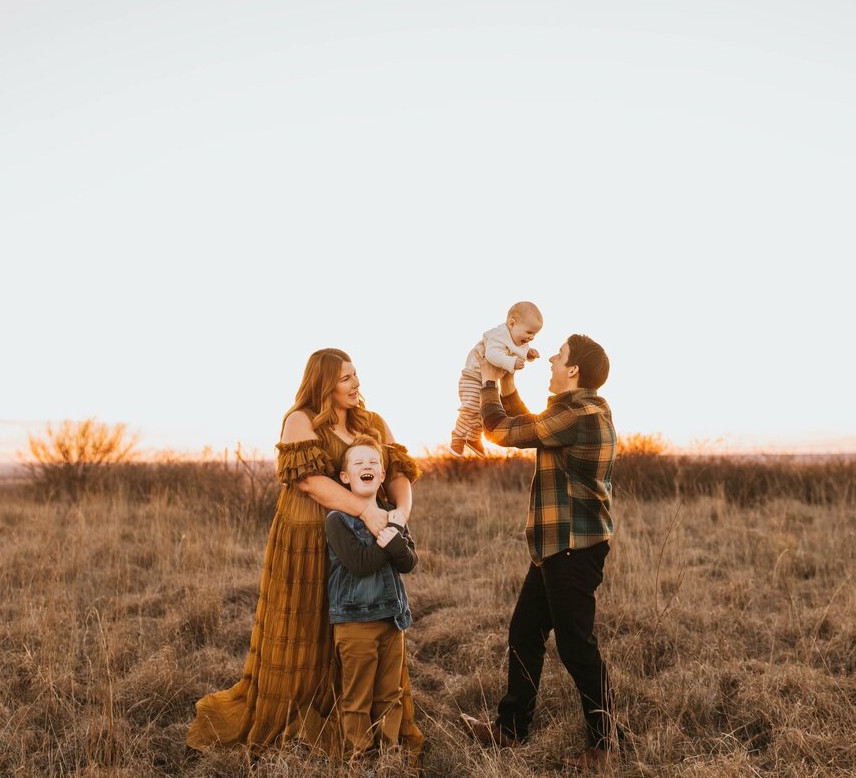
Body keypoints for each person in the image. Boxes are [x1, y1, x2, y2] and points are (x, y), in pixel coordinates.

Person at [186, 349, 424, 757]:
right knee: (307, 628)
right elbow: (311, 482)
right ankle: (305, 713)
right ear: (323, 381)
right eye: (346, 378)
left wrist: (398, 514)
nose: (356, 384)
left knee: (360, 627)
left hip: (365, 537)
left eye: (356, 376)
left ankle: (366, 719)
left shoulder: (373, 423)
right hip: (307, 539)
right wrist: (367, 510)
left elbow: (398, 475)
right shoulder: (299, 420)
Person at [459, 334, 619, 771]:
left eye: (560, 355)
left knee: (576, 646)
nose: (550, 358)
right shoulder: (575, 411)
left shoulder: (577, 414)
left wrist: (490, 382)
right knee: (525, 631)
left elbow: (504, 431)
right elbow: (532, 425)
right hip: (556, 545)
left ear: (574, 371)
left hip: (573, 547)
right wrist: (509, 387)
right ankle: (510, 731)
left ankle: (605, 744)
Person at [325, 435, 419, 758]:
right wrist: (390, 542)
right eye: (358, 463)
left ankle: (389, 753)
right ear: (345, 477)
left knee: (390, 694)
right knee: (357, 697)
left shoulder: (394, 514)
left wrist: (395, 537)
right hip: (355, 625)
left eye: (373, 463)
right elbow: (360, 564)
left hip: (393, 621)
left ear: (381, 476)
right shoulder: (337, 520)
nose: (367, 466)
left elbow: (409, 561)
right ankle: (359, 755)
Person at [451, 301, 542, 456]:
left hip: (487, 379)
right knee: (471, 407)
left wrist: (528, 355)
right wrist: (511, 362)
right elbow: (492, 355)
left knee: (483, 411)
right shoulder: (499, 334)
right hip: (473, 376)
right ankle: (457, 437)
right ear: (512, 323)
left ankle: (473, 438)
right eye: (528, 332)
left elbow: (520, 351)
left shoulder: (518, 339)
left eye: (534, 334)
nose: (531, 337)